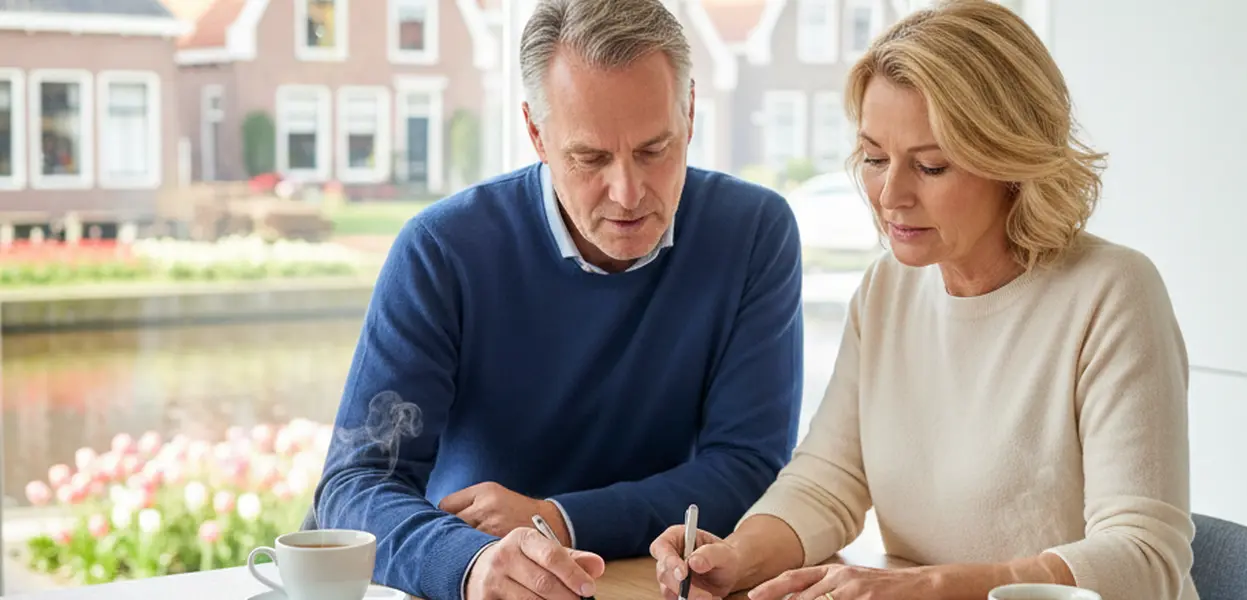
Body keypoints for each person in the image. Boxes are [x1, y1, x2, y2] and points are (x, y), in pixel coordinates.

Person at [650, 2, 1199, 600]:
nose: (890, 195)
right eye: (876, 158)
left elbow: (1146, 561)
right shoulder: (888, 290)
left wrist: (932, 587)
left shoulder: (1113, 295)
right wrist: (738, 555)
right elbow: (827, 481)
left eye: (931, 166)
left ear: (1012, 163)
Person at [309, 0, 805, 598]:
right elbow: (355, 485)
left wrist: (559, 519)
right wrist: (472, 564)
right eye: (590, 158)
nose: (627, 192)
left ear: (691, 113)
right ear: (537, 133)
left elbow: (748, 466)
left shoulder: (753, 232)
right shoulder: (441, 250)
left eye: (654, 150)